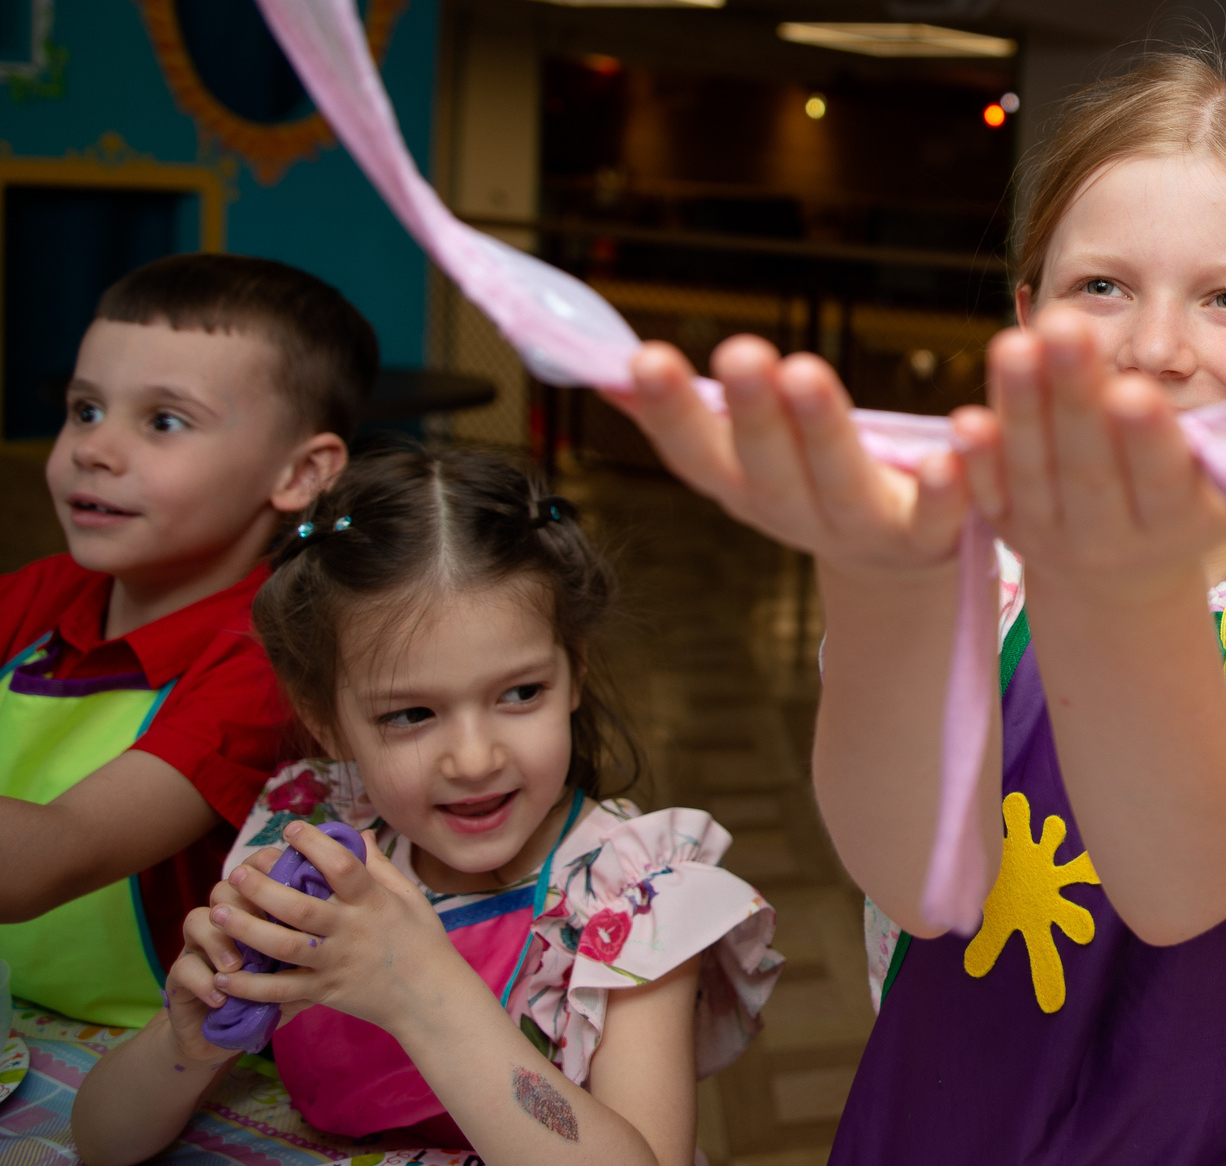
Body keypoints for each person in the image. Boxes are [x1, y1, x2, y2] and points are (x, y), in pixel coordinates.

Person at [616, 50, 1226, 1164]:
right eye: (1101, 286)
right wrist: (877, 593)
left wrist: (1108, 575)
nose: (1152, 350)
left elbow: (1189, 873)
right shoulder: (968, 566)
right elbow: (919, 880)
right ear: (1027, 320)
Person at [71, 449, 781, 1166]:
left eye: (520, 693)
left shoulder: (632, 897)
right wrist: (184, 1044)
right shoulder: (315, 841)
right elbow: (99, 1142)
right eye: (411, 713)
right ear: (323, 718)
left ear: (575, 671)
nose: (473, 759)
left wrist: (419, 989)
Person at [0, 253, 371, 1027]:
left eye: (163, 421)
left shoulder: (268, 662)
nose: (94, 449)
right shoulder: (42, 593)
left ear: (302, 472)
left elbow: (51, 856)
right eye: (85, 410)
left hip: (159, 1054)